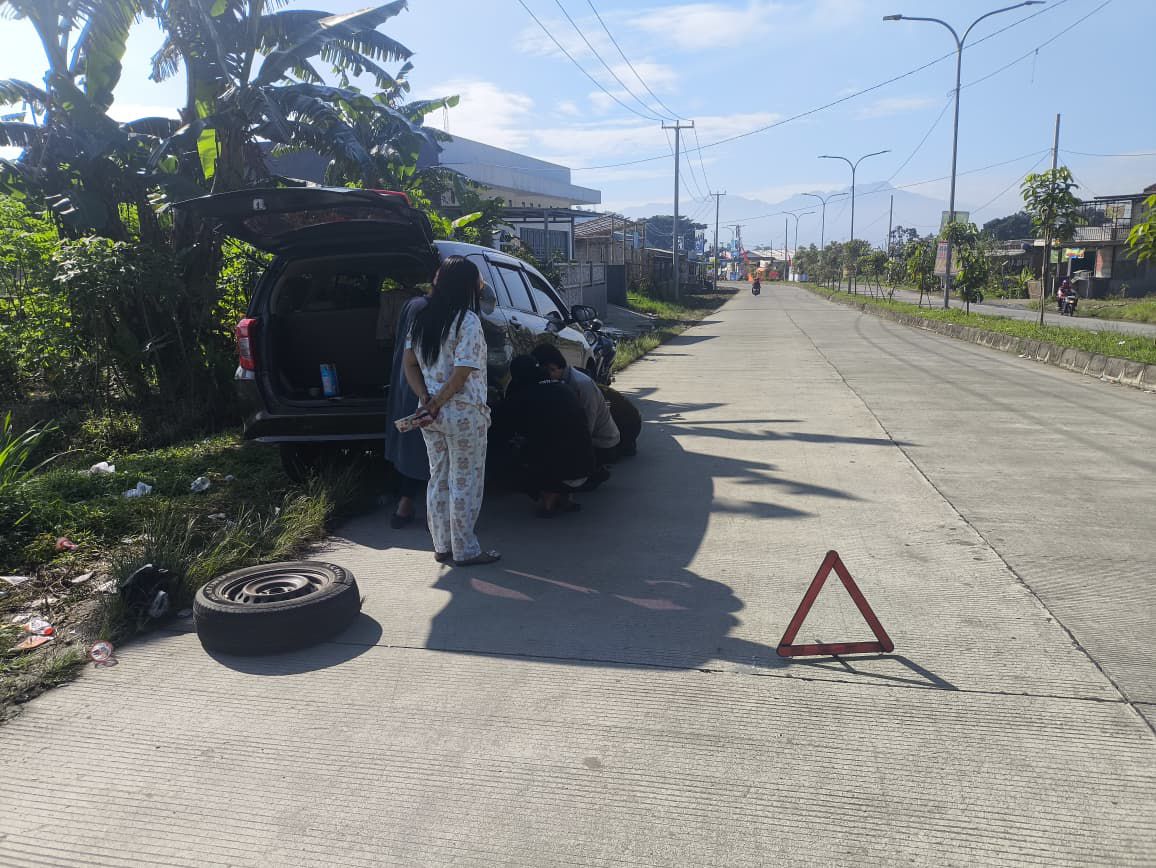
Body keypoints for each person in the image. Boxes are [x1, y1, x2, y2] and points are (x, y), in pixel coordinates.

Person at [402, 256, 499, 567]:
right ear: (468, 285)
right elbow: (462, 373)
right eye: (478, 280)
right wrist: (438, 401)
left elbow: (409, 364)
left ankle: (442, 546)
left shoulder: (420, 319)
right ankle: (466, 550)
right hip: (463, 414)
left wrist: (426, 400)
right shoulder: (467, 321)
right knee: (465, 480)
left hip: (429, 416)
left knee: (439, 478)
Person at [493, 355, 595, 517]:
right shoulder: (563, 387)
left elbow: (501, 429)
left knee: (512, 449)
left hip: (562, 472)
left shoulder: (524, 396)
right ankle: (566, 497)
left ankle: (548, 501)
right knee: (559, 439)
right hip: (586, 468)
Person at [530, 344, 620, 469]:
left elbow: (587, 425)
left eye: (544, 371)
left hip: (601, 443)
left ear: (552, 368)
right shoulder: (557, 383)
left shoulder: (582, 385)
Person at [384, 292, 430, 529]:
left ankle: (404, 505)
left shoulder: (412, 304)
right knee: (424, 450)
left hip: (406, 387)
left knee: (408, 444)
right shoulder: (442, 311)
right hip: (429, 395)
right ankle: (414, 506)